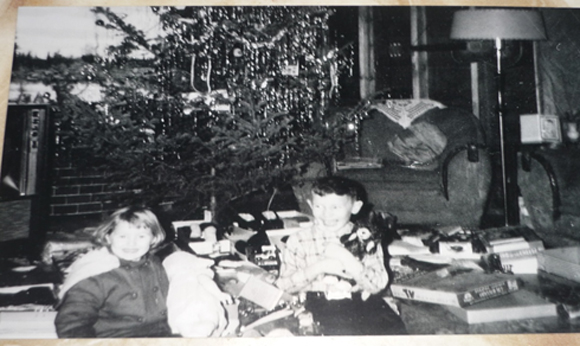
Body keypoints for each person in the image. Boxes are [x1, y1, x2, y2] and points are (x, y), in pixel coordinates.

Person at [276, 176, 407, 335]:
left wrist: (347, 259)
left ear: (355, 207)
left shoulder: (366, 238)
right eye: (319, 206)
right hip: (316, 304)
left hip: (361, 303)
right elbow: (284, 286)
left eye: (335, 207)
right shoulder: (298, 240)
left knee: (392, 331)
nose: (327, 215)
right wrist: (319, 267)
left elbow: (377, 285)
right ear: (310, 205)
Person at [55, 206, 172, 338]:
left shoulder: (155, 265)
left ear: (154, 239)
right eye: (122, 236)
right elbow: (72, 324)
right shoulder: (97, 273)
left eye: (141, 236)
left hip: (160, 337)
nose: (131, 243)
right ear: (108, 237)